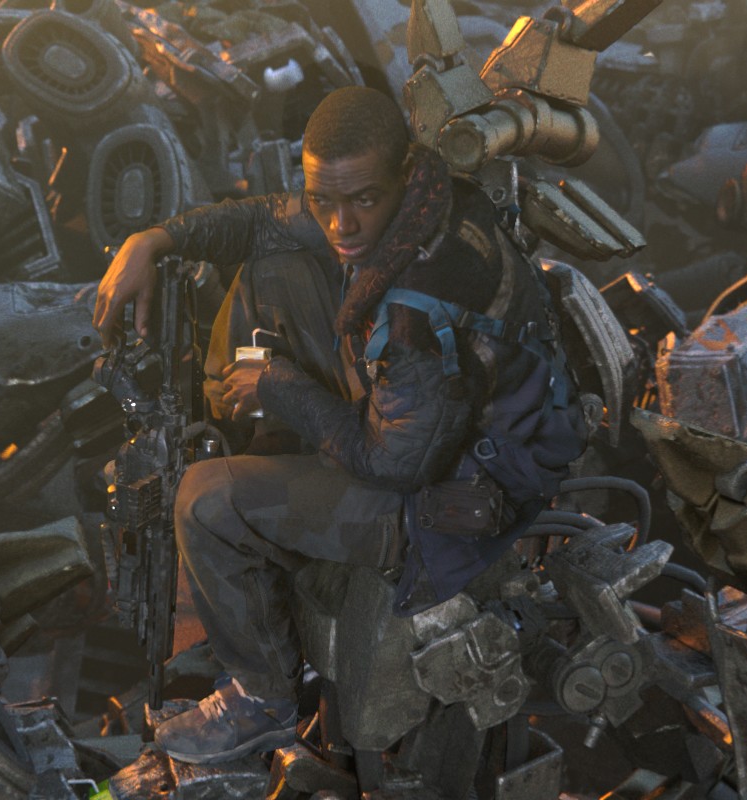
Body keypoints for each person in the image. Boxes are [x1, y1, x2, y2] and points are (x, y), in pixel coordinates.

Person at [91, 86, 584, 764]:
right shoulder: (422, 196)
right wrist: (154, 239)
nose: (340, 224)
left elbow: (396, 465)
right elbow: (265, 221)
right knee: (272, 265)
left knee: (202, 499)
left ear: (401, 175)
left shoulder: (418, 308)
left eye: (361, 200)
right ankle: (261, 465)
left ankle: (262, 699)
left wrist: (278, 387)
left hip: (451, 503)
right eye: (322, 199)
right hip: (435, 422)